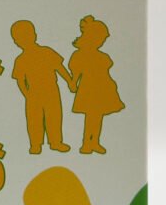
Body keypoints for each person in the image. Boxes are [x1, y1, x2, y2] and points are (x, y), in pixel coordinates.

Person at [11, 20, 75, 154]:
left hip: (51, 90)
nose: (23, 41)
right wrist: (27, 94)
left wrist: (69, 81)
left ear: (34, 35)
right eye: (19, 39)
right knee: (34, 120)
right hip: (33, 93)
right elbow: (20, 80)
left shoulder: (46, 51)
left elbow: (59, 68)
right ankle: (35, 144)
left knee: (54, 116)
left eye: (26, 36)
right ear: (16, 42)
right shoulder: (20, 59)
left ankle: (56, 142)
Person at [69, 15, 125, 154]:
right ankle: (86, 143)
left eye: (102, 40)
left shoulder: (102, 56)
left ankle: (94, 142)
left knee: (98, 118)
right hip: (88, 90)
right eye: (100, 39)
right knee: (91, 118)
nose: (101, 42)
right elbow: (76, 73)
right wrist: (73, 83)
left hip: (102, 89)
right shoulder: (80, 55)